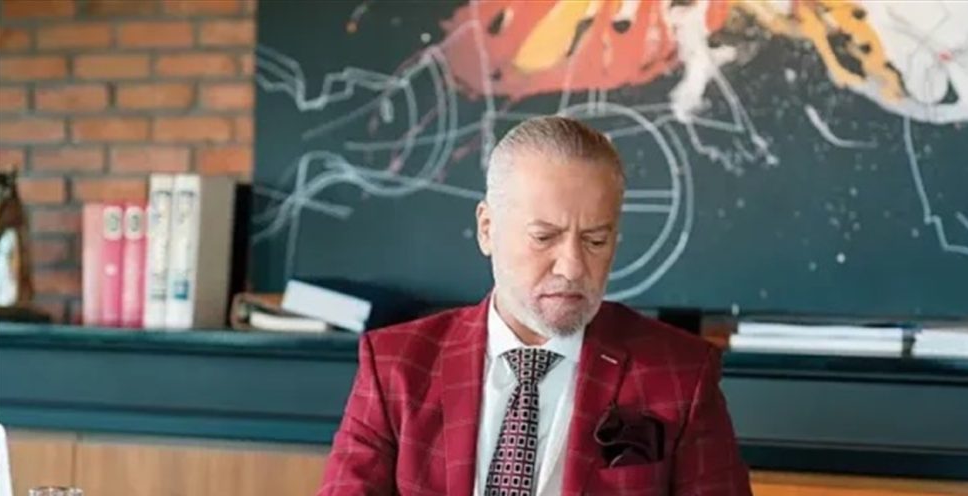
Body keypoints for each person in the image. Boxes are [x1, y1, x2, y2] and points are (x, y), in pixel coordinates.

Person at [318, 116, 752, 495]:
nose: (572, 267)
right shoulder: (395, 366)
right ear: (487, 229)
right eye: (544, 237)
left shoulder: (681, 374)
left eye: (595, 240)